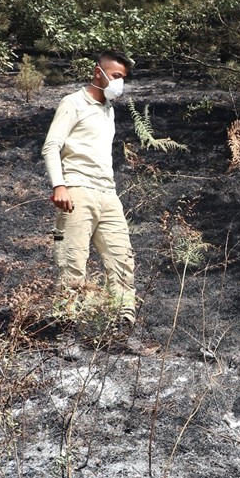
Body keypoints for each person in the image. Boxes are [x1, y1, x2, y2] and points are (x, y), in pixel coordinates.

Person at [42, 51, 142, 355]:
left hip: (108, 194)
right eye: (116, 76)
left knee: (122, 262)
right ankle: (67, 334)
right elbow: (51, 146)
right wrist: (59, 185)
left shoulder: (108, 110)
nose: (119, 83)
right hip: (77, 191)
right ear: (98, 72)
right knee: (72, 262)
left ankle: (122, 332)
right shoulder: (73, 102)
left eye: (123, 78)